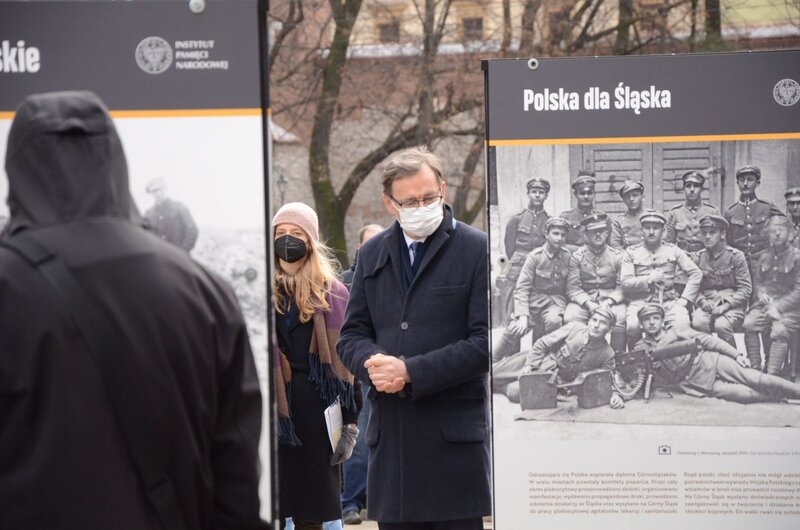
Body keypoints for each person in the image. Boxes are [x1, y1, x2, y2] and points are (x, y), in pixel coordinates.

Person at [0, 91, 266, 528]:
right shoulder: (205, 291)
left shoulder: (8, 286)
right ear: (114, 162)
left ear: (18, 166)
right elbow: (234, 471)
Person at [338, 146, 490, 529]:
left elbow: (485, 342)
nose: (422, 206)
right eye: (410, 201)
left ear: (442, 188)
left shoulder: (476, 249)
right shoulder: (372, 254)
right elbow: (351, 334)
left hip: (452, 452)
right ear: (390, 204)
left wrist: (409, 371)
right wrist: (374, 364)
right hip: (393, 451)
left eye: (429, 197)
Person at [272, 202, 361, 530]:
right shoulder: (262, 289)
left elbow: (348, 358)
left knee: (316, 511)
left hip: (318, 415)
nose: (287, 240)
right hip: (275, 413)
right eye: (280, 233)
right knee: (277, 508)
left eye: (296, 233)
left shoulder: (333, 293)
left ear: (310, 240)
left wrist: (350, 422)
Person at [627, 304, 800, 404]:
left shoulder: (677, 331)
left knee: (757, 379)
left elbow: (709, 340)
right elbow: (640, 379)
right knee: (743, 395)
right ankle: (780, 397)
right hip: (694, 381)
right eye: (646, 320)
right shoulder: (639, 349)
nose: (651, 322)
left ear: (662, 321)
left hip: (710, 361)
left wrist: (736, 355)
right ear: (641, 325)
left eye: (655, 318)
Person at [340, 222, 383, 525]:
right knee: (360, 442)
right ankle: (350, 502)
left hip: (391, 369)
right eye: (370, 243)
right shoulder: (344, 284)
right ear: (359, 248)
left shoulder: (393, 277)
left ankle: (374, 499)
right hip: (359, 371)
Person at [494, 217, 571, 362]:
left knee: (554, 321)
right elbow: (522, 288)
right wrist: (523, 316)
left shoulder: (567, 257)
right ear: (546, 234)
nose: (559, 238)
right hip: (533, 301)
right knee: (515, 328)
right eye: (555, 233)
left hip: (555, 303)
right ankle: (493, 360)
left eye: (563, 235)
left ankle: (548, 360)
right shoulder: (535, 257)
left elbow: (571, 286)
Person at [620, 210, 702, 346]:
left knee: (681, 324)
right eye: (647, 228)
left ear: (663, 231)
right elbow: (625, 283)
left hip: (669, 301)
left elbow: (696, 273)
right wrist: (649, 279)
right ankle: (636, 360)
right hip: (641, 301)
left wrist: (685, 299)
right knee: (633, 326)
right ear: (642, 230)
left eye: (656, 228)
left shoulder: (673, 250)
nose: (651, 232)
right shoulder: (631, 252)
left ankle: (676, 362)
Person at [518, 306, 625, 409]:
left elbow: (607, 380)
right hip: (544, 365)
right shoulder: (575, 327)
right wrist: (529, 365)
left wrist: (616, 396)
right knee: (508, 374)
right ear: (589, 321)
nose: (596, 325)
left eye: (602, 323)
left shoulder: (607, 354)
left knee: (519, 392)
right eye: (594, 320)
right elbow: (542, 343)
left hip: (564, 386)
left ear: (610, 329)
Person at [742, 215, 800, 374]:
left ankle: (772, 375)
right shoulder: (764, 257)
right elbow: (759, 282)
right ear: (767, 235)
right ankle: (754, 370)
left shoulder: (797, 257)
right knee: (749, 323)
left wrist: (779, 308)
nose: (778, 234)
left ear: (790, 233)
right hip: (766, 305)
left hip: (791, 309)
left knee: (779, 331)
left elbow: (798, 290)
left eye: (782, 230)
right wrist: (761, 294)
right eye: (773, 231)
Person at [565, 212, 627, 352]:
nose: (598, 235)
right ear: (586, 235)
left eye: (601, 232)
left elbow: (622, 286)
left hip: (611, 300)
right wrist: (589, 304)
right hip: (585, 300)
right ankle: (580, 358)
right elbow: (573, 288)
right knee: (571, 317)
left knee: (620, 319)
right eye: (593, 232)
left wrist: (609, 301)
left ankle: (617, 360)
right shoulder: (577, 257)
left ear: (607, 234)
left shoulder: (617, 256)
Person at [691, 215, 752, 349]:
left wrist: (726, 306)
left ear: (723, 234)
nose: (707, 236)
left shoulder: (736, 256)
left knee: (722, 325)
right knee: (698, 322)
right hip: (707, 303)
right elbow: (694, 287)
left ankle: (732, 360)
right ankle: (707, 359)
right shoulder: (698, 258)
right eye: (704, 232)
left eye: (712, 232)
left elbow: (745, 289)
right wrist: (702, 302)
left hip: (732, 305)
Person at [723, 165, 783, 271]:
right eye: (742, 180)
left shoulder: (767, 208)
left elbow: (784, 227)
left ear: (757, 183)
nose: (745, 184)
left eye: (750, 180)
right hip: (739, 265)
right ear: (738, 183)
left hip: (764, 264)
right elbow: (725, 241)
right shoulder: (730, 212)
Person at [144, 176, 199, 252]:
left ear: (165, 188)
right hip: (159, 257)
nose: (156, 193)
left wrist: (183, 251)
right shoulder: (148, 214)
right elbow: (146, 236)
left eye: (158, 189)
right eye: (153, 191)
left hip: (179, 256)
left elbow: (192, 230)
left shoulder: (180, 207)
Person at [559, 171, 600, 252]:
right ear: (575, 194)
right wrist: (580, 250)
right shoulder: (565, 217)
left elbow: (608, 245)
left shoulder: (601, 217)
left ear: (594, 194)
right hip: (572, 260)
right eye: (582, 193)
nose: (586, 197)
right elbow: (560, 244)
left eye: (589, 193)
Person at [341, 223, 383, 290]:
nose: (375, 248)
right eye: (369, 244)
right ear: (360, 247)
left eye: (379, 243)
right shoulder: (344, 280)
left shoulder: (394, 277)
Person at [609, 179, 645, 249]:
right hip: (626, 257)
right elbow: (615, 244)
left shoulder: (652, 216)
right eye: (627, 196)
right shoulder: (618, 221)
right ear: (623, 199)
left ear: (642, 196)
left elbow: (661, 240)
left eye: (635, 195)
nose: (631, 199)